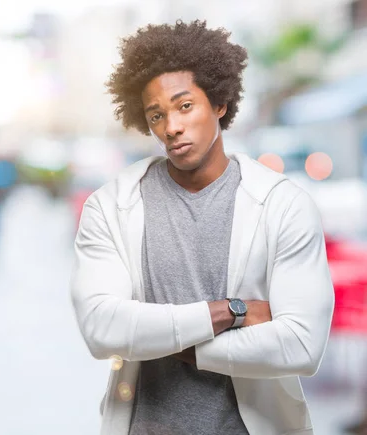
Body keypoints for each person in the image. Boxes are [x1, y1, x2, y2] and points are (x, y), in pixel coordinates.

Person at [70, 20, 335, 435]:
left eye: (185, 105)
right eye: (156, 114)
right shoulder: (111, 207)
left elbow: (302, 345)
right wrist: (235, 311)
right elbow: (102, 330)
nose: (171, 126)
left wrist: (163, 337)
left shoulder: (283, 204)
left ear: (220, 103)